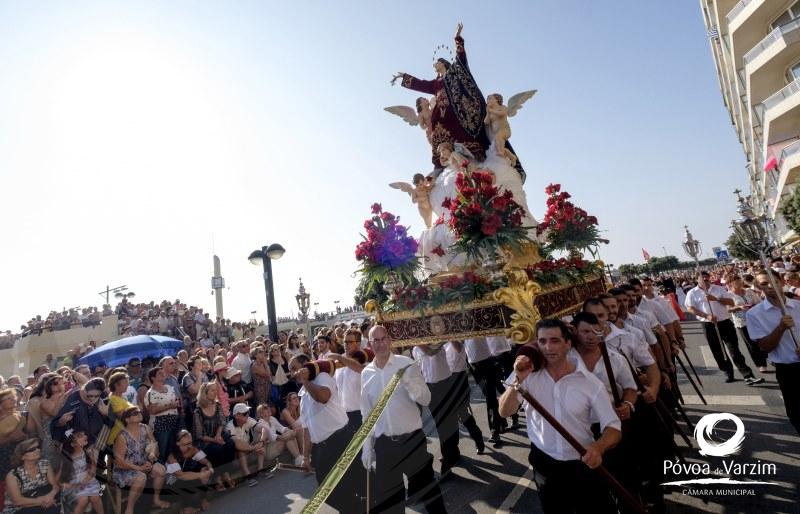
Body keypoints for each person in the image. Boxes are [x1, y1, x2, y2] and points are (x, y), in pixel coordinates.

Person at [498, 319, 621, 514]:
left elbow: (613, 427)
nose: (548, 347)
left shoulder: (590, 383)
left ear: (568, 344)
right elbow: (504, 411)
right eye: (543, 341)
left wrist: (598, 447)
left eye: (555, 340)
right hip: (544, 463)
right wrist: (518, 381)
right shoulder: (526, 374)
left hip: (581, 462)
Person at [360, 325, 446, 514]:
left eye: (384, 339)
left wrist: (409, 383)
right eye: (376, 340)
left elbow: (426, 398)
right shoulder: (366, 373)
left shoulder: (406, 364)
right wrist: (367, 446)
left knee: (429, 493)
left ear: (390, 340)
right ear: (369, 343)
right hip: (385, 446)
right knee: (391, 502)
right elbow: (367, 414)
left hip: (411, 441)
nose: (381, 344)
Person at [290, 354, 360, 512]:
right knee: (329, 495)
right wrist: (306, 457)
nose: (293, 373)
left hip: (341, 440)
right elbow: (307, 430)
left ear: (305, 366)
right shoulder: (302, 395)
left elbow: (323, 397)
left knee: (352, 488)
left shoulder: (322, 377)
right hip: (321, 450)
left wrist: (305, 381)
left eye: (294, 368)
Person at [685, 271, 763, 384]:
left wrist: (715, 299)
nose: (706, 280)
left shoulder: (719, 289)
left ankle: (747, 374)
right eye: (703, 278)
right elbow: (690, 308)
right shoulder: (692, 293)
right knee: (717, 350)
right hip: (709, 324)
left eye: (707, 278)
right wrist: (706, 315)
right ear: (697, 279)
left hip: (724, 322)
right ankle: (727, 372)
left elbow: (730, 301)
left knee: (734, 349)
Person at [747, 271, 800, 434]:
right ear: (757, 287)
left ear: (782, 282)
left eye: (774, 281)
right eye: (764, 283)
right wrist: (781, 328)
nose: (770, 286)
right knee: (796, 415)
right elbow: (765, 346)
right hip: (788, 370)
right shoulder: (754, 314)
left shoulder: (798, 306)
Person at [412, 344, 459, 475]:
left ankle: (448, 462)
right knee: (441, 424)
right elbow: (420, 370)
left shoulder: (435, 343)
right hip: (430, 387)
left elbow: (431, 352)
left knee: (447, 423)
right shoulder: (415, 349)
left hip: (445, 385)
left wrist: (419, 343)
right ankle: (453, 453)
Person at [112, 407, 169, 513]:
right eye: (135, 413)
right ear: (127, 419)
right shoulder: (122, 436)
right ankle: (129, 509)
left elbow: (154, 446)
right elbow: (119, 463)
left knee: (161, 470)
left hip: (143, 463)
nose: (139, 414)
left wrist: (150, 460)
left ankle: (156, 500)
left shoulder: (145, 428)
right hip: (125, 469)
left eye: (139, 412)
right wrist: (139, 468)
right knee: (141, 477)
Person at [443, 341, 484, 454]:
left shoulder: (457, 340)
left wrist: (449, 335)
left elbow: (458, 347)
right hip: (446, 380)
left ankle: (477, 437)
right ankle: (452, 449)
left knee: (462, 414)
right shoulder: (443, 345)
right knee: (451, 417)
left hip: (459, 380)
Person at [192, 382, 235, 489]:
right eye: (212, 390)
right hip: (205, 441)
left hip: (217, 436)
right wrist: (215, 440)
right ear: (205, 394)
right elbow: (199, 434)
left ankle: (226, 473)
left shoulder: (217, 405)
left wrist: (218, 435)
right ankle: (217, 478)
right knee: (217, 449)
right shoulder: (198, 411)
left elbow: (222, 422)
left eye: (215, 390)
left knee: (230, 444)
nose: (215, 392)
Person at [3, 438, 61, 514]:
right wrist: (42, 500)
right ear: (22, 457)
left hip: (44, 504)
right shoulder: (13, 475)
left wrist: (50, 497)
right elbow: (17, 501)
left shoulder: (45, 464)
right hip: (18, 510)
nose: (38, 450)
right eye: (32, 449)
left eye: (38, 447)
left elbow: (55, 486)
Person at [727, 274, 770, 373]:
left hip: (756, 319)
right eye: (735, 281)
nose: (738, 282)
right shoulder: (729, 295)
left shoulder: (749, 291)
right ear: (730, 284)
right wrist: (739, 307)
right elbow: (728, 309)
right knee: (751, 344)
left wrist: (753, 306)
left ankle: (769, 357)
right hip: (742, 322)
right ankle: (760, 364)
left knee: (762, 340)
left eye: (738, 280)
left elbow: (759, 302)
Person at [166, 430, 213, 514]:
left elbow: (206, 462)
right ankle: (185, 508)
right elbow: (181, 476)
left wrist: (208, 470)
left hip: (186, 479)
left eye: (190, 443)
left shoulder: (193, 449)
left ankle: (203, 499)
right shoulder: (171, 457)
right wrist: (201, 475)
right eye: (186, 444)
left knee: (201, 469)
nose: (189, 446)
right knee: (189, 479)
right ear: (177, 443)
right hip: (171, 486)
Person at [59, 429, 103, 514]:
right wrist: (72, 485)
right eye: (80, 436)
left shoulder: (89, 452)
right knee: (83, 500)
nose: (85, 436)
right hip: (73, 483)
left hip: (88, 480)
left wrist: (88, 477)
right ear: (72, 444)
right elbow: (60, 479)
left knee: (95, 498)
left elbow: (93, 467)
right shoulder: (67, 458)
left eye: (84, 434)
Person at [144, 367, 181, 464]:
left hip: (174, 420)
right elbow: (152, 410)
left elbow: (175, 400)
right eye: (160, 373)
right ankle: (159, 470)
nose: (163, 374)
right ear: (153, 378)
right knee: (162, 449)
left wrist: (176, 404)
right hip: (160, 424)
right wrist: (170, 406)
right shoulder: (151, 393)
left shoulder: (169, 388)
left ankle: (172, 471)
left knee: (173, 448)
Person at [226, 403, 265, 486]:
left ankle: (260, 470)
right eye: (245, 414)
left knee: (260, 441)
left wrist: (261, 441)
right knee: (241, 450)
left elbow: (263, 429)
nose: (247, 415)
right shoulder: (229, 426)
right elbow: (237, 444)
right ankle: (247, 476)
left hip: (249, 447)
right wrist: (254, 448)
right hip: (236, 455)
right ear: (237, 416)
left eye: (248, 412)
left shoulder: (248, 419)